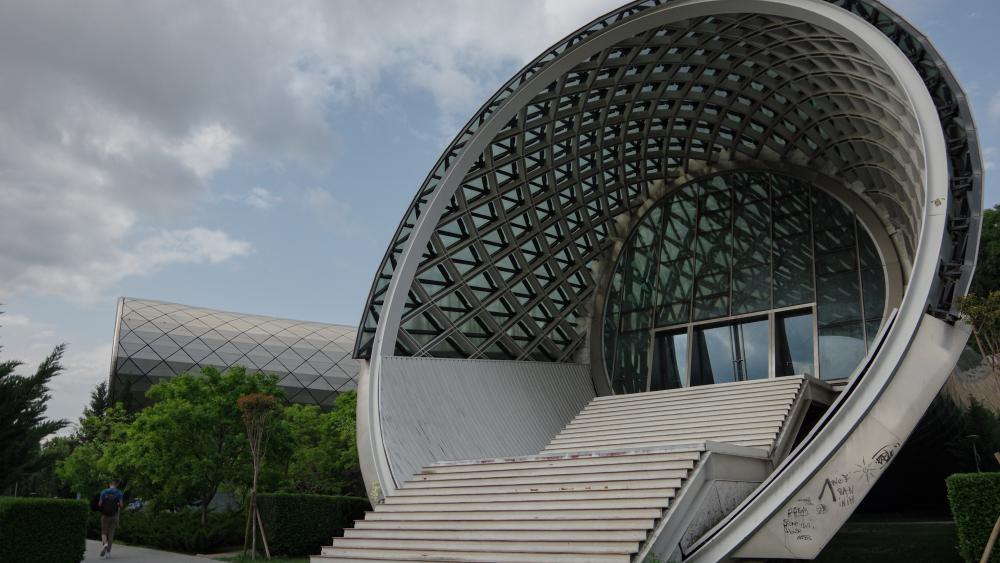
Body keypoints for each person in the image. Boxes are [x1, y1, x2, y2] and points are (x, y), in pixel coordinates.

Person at [98, 480, 124, 559]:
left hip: (105, 516)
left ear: (109, 484)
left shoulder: (104, 492)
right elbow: (121, 505)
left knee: (103, 532)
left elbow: (99, 504)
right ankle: (108, 553)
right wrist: (118, 504)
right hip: (114, 516)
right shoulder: (119, 493)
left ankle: (105, 544)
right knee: (111, 534)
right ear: (115, 485)